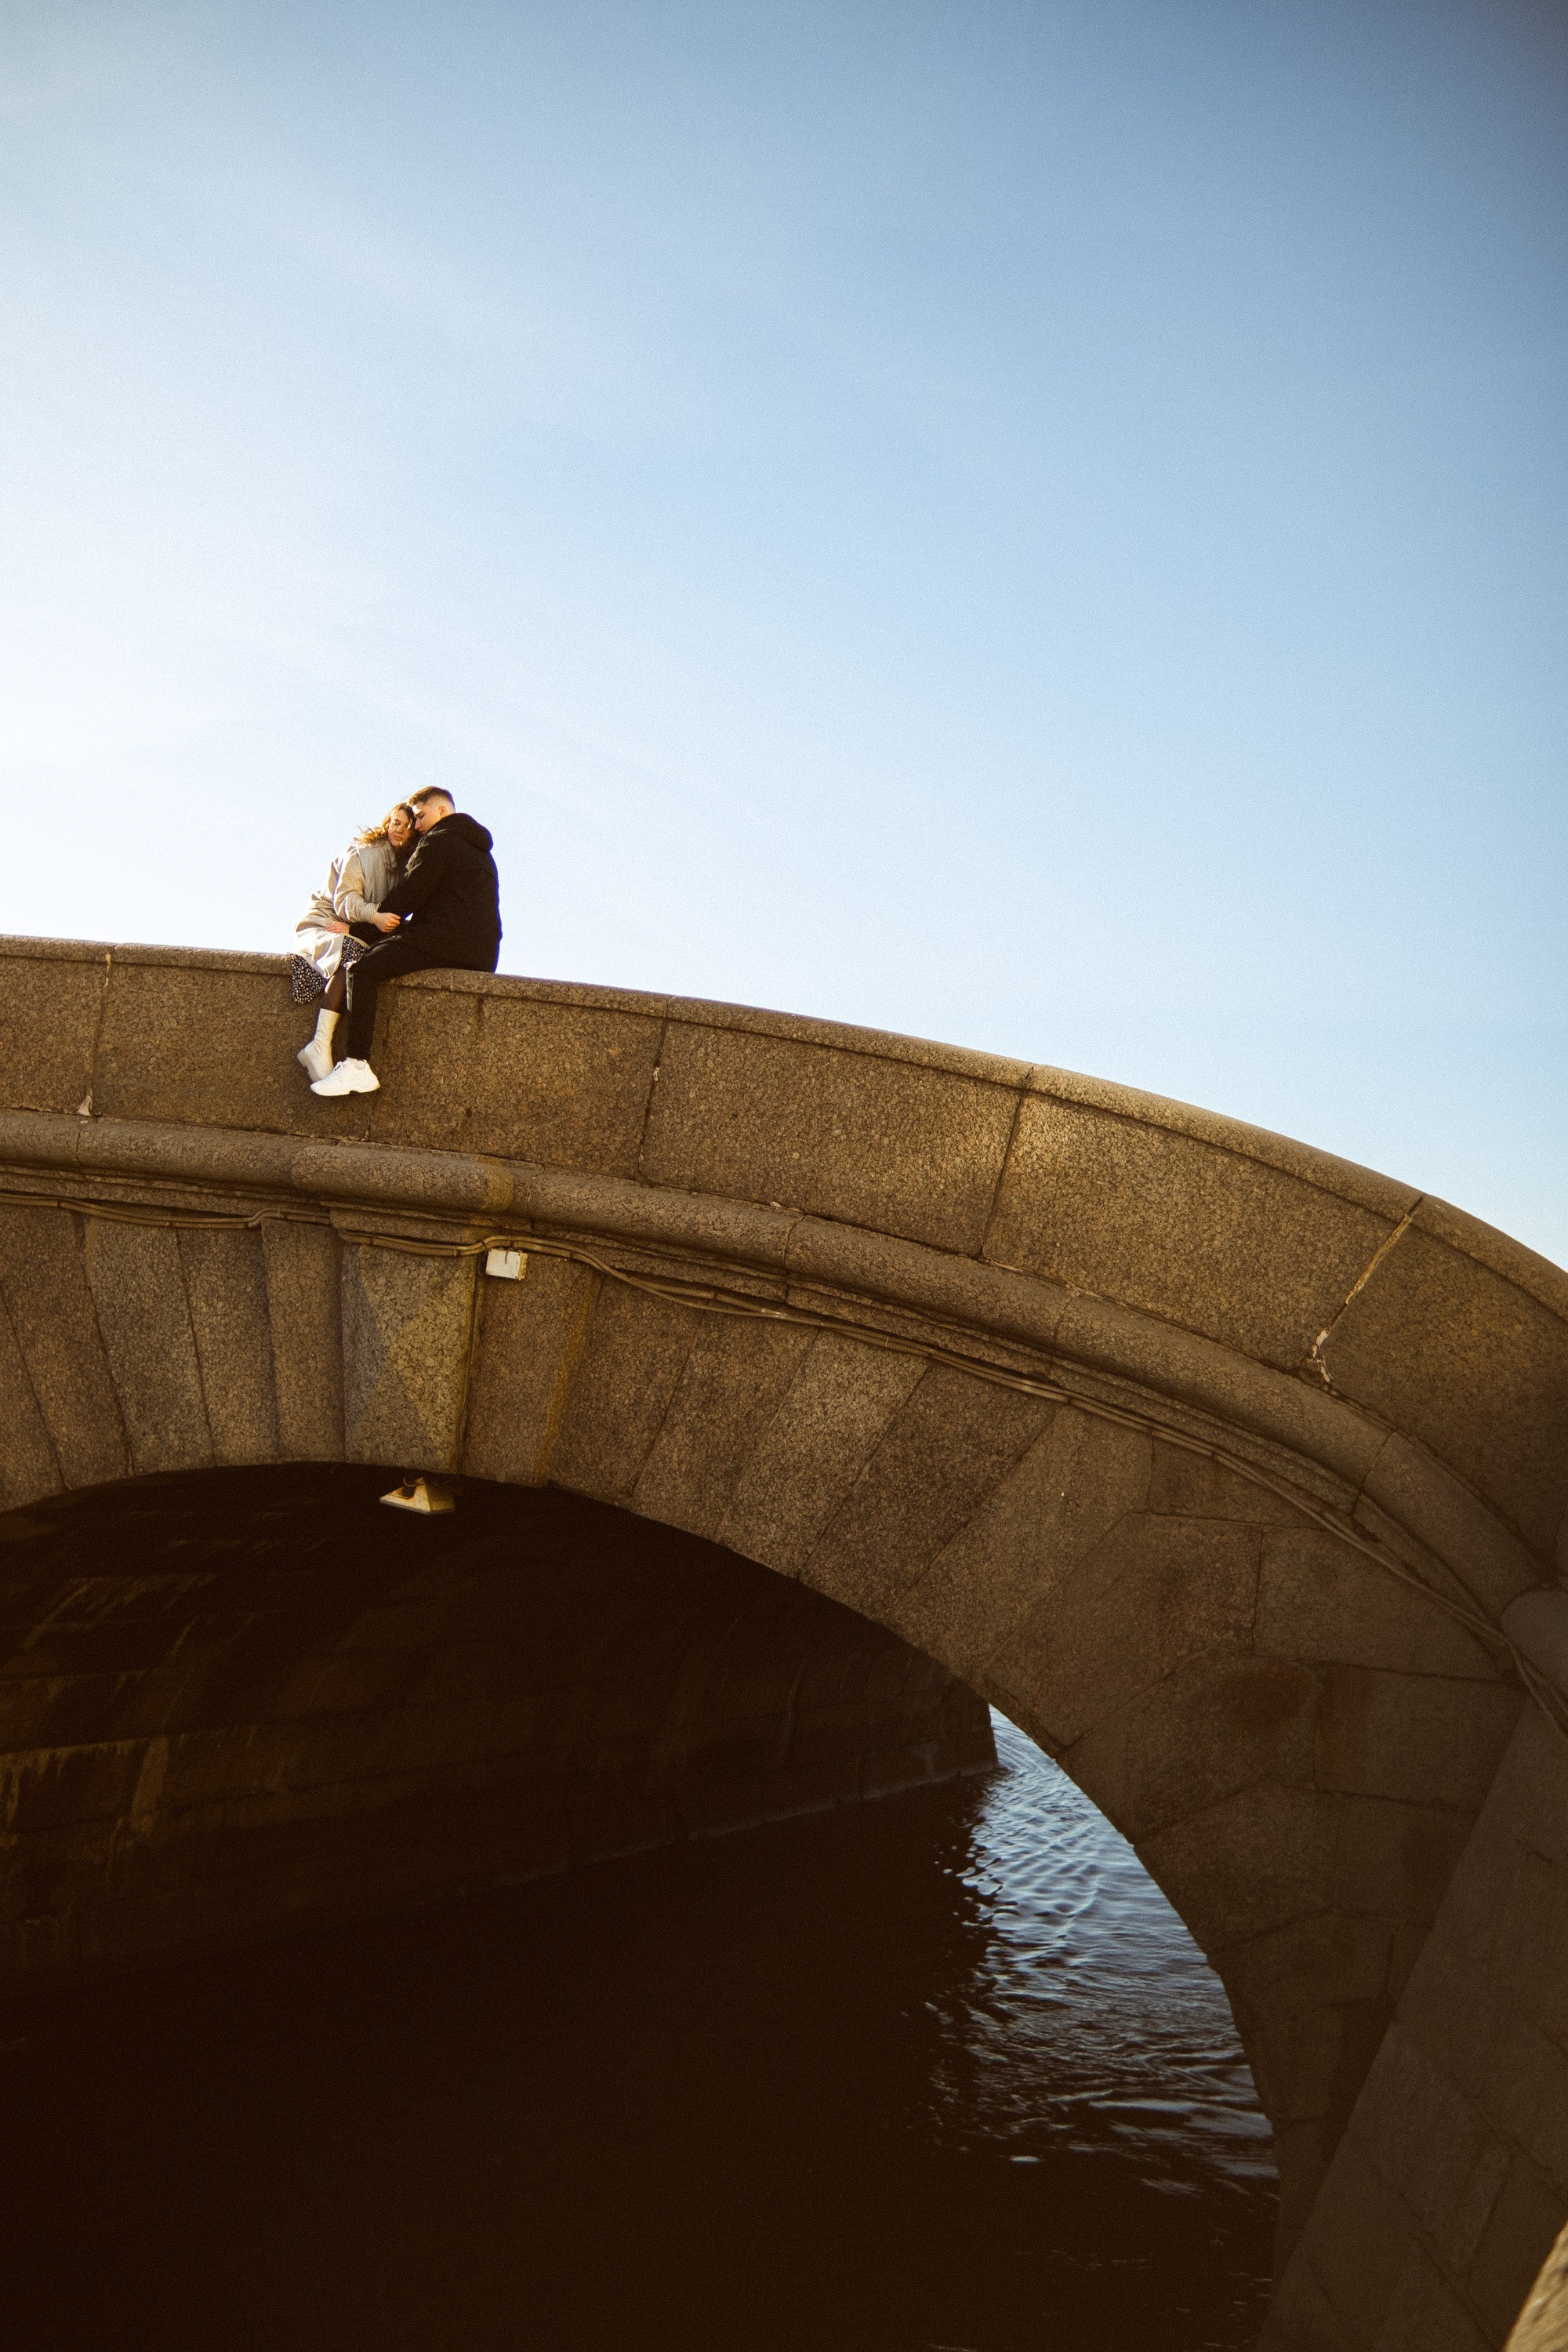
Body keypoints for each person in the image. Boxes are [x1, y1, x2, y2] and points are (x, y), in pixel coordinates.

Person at [310, 787, 502, 1097]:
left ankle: (357, 1065)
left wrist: (362, 925)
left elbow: (407, 898)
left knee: (362, 970)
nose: (416, 826)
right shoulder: (480, 850)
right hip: (480, 952)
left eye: (420, 816)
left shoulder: (439, 841)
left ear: (441, 812)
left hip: (445, 941)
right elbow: (446, 911)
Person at [292, 804, 417, 1083]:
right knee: (354, 957)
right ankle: (320, 1044)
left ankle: (319, 1047)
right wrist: (374, 916)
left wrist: (359, 926)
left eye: (407, 827)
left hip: (353, 929)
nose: (399, 830)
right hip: (326, 922)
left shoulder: (401, 869)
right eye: (395, 822)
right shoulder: (362, 855)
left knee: (366, 960)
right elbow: (345, 901)